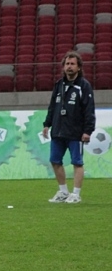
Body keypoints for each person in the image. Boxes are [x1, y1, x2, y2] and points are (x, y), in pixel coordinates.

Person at [42, 51, 96, 204]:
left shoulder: (84, 86)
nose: (69, 67)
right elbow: (52, 107)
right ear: (63, 67)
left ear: (79, 67)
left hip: (75, 132)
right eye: (67, 64)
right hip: (58, 131)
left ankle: (76, 194)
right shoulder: (59, 85)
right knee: (55, 161)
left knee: (77, 162)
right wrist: (47, 124)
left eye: (72, 64)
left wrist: (88, 131)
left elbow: (89, 110)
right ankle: (63, 192)